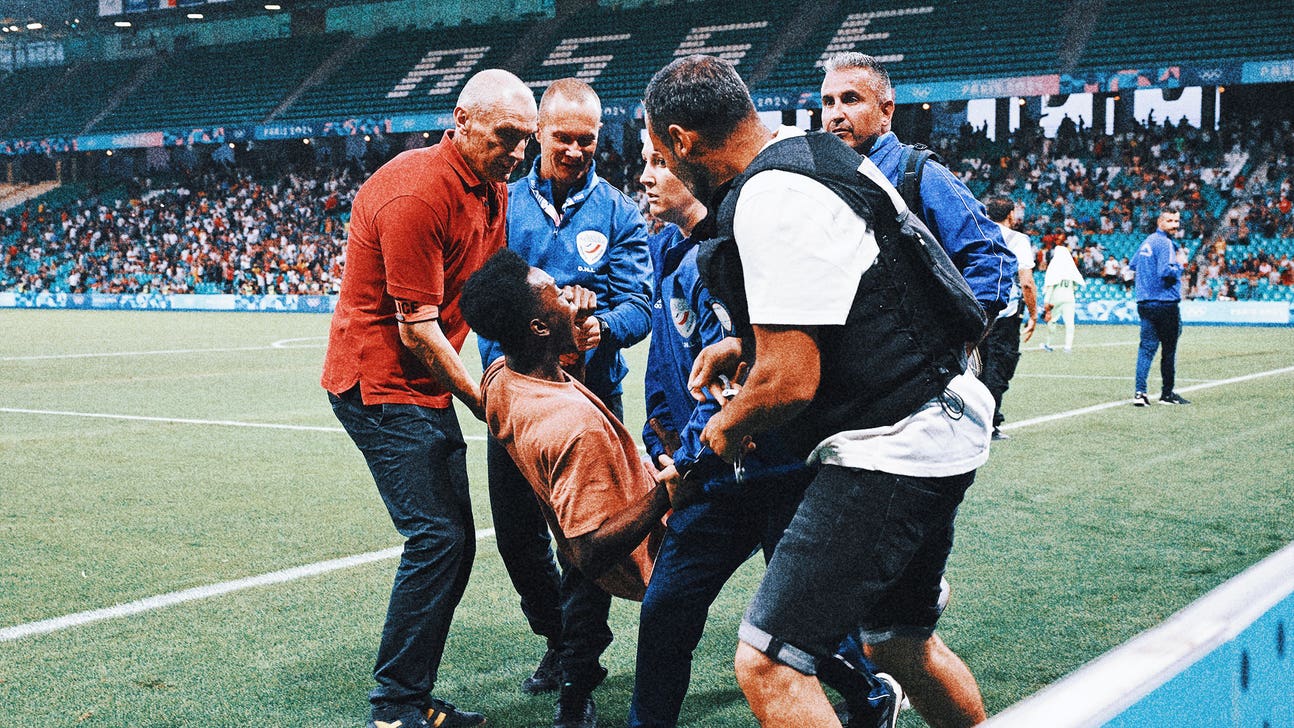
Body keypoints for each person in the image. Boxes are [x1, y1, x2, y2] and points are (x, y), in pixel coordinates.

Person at [644, 54, 991, 728]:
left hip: (891, 441)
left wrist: (717, 436)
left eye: (660, 152)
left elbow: (788, 384)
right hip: (942, 416)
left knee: (769, 662)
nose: (662, 167)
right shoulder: (813, 157)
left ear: (682, 141)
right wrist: (749, 344)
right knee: (898, 641)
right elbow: (867, 289)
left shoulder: (768, 196)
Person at [631, 134, 902, 728]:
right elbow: (668, 365)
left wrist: (692, 457)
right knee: (667, 611)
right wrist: (661, 441)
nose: (647, 177)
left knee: (798, 627)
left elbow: (758, 371)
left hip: (775, 468)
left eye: (659, 162)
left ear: (690, 165)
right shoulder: (666, 252)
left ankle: (868, 691)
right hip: (712, 475)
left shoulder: (732, 252)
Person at [320, 69, 537, 728]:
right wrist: (484, 401)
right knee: (439, 539)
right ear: (462, 120)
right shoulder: (416, 194)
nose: (519, 153)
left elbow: (496, 288)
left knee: (449, 541)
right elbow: (417, 332)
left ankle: (407, 697)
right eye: (507, 136)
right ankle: (394, 708)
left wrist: (555, 317)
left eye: (526, 140)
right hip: (380, 384)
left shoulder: (492, 187)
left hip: (420, 387)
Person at [477, 77, 652, 728]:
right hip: (520, 407)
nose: (576, 151)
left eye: (588, 140)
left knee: (586, 548)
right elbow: (484, 298)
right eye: (563, 139)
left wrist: (601, 323)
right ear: (539, 134)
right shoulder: (502, 205)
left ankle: (577, 676)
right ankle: (557, 639)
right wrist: (499, 370)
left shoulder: (618, 212)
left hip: (589, 406)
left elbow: (639, 303)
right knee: (519, 541)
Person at [462, 247, 680, 727]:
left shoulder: (500, 377)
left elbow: (556, 389)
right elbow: (590, 554)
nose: (573, 296)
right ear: (539, 328)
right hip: (651, 542)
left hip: (595, 497)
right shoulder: (573, 427)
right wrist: (668, 491)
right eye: (558, 294)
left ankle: (574, 684)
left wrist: (572, 352)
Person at [819, 51, 1014, 318]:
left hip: (911, 357)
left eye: (850, 99)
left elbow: (990, 257)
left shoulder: (920, 174)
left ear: (885, 111)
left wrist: (963, 342)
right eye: (828, 102)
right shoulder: (819, 180)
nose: (836, 114)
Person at [980, 198, 1038, 440]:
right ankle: (989, 423)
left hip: (975, 308)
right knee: (999, 365)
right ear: (1011, 214)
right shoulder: (1018, 240)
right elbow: (1026, 281)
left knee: (975, 365)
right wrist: (1034, 314)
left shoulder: (977, 230)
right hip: (1003, 311)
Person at [1132, 210, 1191, 406]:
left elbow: (1133, 265)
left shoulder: (1147, 241)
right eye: (1170, 221)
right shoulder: (1166, 243)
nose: (1175, 225)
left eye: (1177, 221)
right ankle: (1167, 394)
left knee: (1146, 349)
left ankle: (1140, 393)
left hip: (1145, 302)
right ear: (1160, 222)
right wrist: (1181, 265)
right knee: (1168, 350)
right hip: (1165, 303)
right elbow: (1165, 271)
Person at [1041, 246, 1084, 353]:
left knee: (1052, 321)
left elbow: (1050, 285)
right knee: (1070, 323)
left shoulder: (1055, 266)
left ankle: (1049, 344)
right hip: (1069, 297)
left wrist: (1046, 301)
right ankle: (1068, 347)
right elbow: (1075, 286)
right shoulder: (1070, 267)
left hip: (1056, 297)